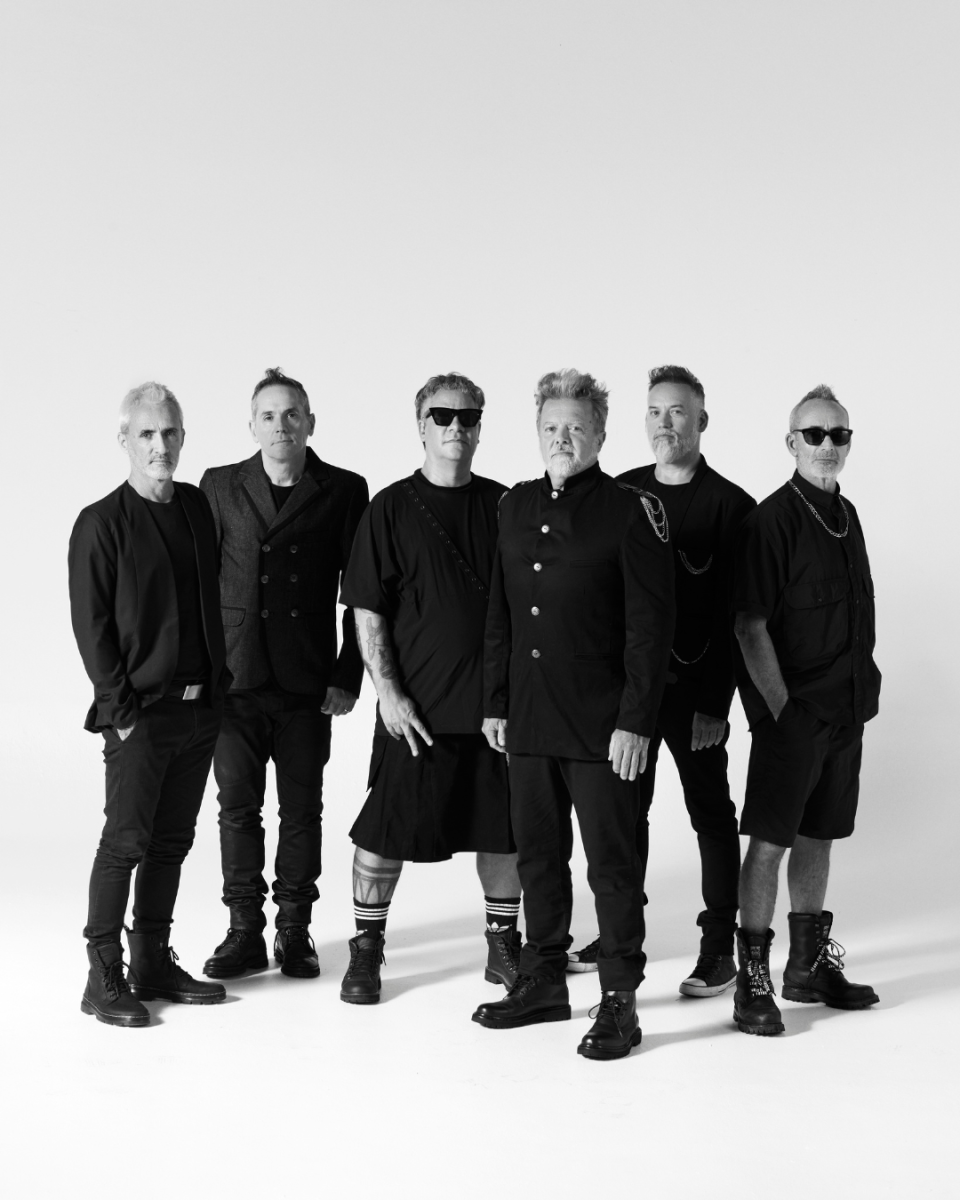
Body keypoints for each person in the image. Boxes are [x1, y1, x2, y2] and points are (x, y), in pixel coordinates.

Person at [473, 369, 674, 1061]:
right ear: (538, 432)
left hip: (602, 727)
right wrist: (496, 702)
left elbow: (651, 629)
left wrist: (636, 721)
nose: (562, 438)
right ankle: (543, 981)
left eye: (576, 427)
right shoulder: (514, 506)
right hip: (529, 719)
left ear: (601, 434)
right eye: (551, 427)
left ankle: (619, 999)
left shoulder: (630, 511)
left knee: (612, 868)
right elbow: (499, 612)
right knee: (538, 857)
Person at [568, 365, 755, 998]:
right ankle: (620, 935)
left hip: (697, 691)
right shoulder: (621, 494)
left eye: (677, 411)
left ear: (701, 420)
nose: (664, 423)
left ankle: (718, 946)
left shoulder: (732, 506)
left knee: (711, 814)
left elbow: (738, 617)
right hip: (632, 696)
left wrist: (715, 703)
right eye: (654, 411)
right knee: (625, 814)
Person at [337, 372, 520, 1005]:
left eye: (467, 417)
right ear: (421, 425)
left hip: (494, 711)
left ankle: (503, 946)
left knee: (503, 833)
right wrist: (388, 693)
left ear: (479, 428)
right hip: (416, 712)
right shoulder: (390, 508)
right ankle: (367, 950)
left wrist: (512, 698)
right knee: (383, 832)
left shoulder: (505, 505)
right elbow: (367, 608)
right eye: (442, 416)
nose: (455, 427)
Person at [199, 368, 368, 979]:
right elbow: (199, 584)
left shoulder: (344, 489)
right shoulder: (219, 485)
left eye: (292, 414)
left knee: (302, 810)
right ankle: (245, 929)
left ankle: (294, 929)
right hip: (234, 676)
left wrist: (348, 673)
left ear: (310, 423)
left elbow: (362, 592)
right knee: (237, 809)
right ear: (252, 425)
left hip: (308, 679)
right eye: (268, 415)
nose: (280, 425)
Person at [69, 382, 228, 1027]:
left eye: (169, 432)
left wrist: (217, 691)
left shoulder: (195, 507)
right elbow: (92, 628)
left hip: (200, 710)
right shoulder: (101, 523)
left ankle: (152, 961)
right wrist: (123, 713)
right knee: (125, 843)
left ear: (183, 437)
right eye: (146, 434)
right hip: (141, 714)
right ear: (125, 441)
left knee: (171, 843)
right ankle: (102, 975)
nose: (160, 445)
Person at [731, 385, 880, 1036]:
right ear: (791, 443)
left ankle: (806, 967)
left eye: (838, 435)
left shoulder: (847, 515)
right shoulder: (771, 521)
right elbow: (749, 625)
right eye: (814, 434)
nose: (827, 445)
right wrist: (781, 713)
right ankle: (752, 981)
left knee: (819, 836)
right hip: (792, 719)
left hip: (846, 710)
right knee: (770, 844)